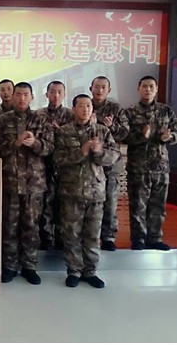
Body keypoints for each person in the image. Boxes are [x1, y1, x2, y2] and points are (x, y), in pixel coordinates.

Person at [0, 82, 53, 285]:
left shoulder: (41, 119)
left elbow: (51, 147)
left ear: (32, 97)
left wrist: (35, 143)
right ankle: (9, 266)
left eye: (26, 94)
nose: (22, 98)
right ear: (12, 96)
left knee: (31, 227)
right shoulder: (1, 120)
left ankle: (29, 266)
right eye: (18, 94)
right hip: (10, 182)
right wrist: (14, 143)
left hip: (34, 183)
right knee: (9, 226)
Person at [53, 94, 119, 289]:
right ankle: (73, 271)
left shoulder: (102, 131)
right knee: (71, 234)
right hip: (71, 190)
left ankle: (90, 271)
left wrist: (99, 152)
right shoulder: (64, 132)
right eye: (81, 106)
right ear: (73, 109)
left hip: (96, 192)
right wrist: (81, 152)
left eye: (88, 106)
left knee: (92, 234)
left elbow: (114, 156)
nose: (85, 109)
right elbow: (57, 158)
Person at [124, 75, 177, 251]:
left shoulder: (166, 110)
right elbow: (124, 137)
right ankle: (138, 239)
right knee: (138, 206)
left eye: (151, 86)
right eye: (144, 86)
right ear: (138, 89)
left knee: (158, 206)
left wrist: (169, 137)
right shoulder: (130, 112)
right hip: (138, 167)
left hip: (161, 167)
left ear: (156, 89)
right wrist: (142, 136)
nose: (148, 89)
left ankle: (155, 238)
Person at [89, 76, 130, 251]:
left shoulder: (116, 109)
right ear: (91, 88)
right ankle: (91, 236)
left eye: (103, 87)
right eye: (96, 87)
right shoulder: (85, 106)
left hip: (111, 163)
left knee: (110, 201)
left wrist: (112, 127)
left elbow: (125, 134)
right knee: (91, 202)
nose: (99, 90)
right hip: (90, 165)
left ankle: (108, 236)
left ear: (109, 90)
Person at [37, 81, 75, 251]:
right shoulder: (38, 114)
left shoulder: (71, 115)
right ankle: (46, 238)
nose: (56, 95)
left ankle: (61, 239)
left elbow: (76, 139)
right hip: (43, 166)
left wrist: (61, 132)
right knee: (45, 203)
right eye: (52, 92)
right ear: (47, 94)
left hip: (65, 168)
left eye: (60, 92)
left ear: (64, 94)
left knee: (64, 204)